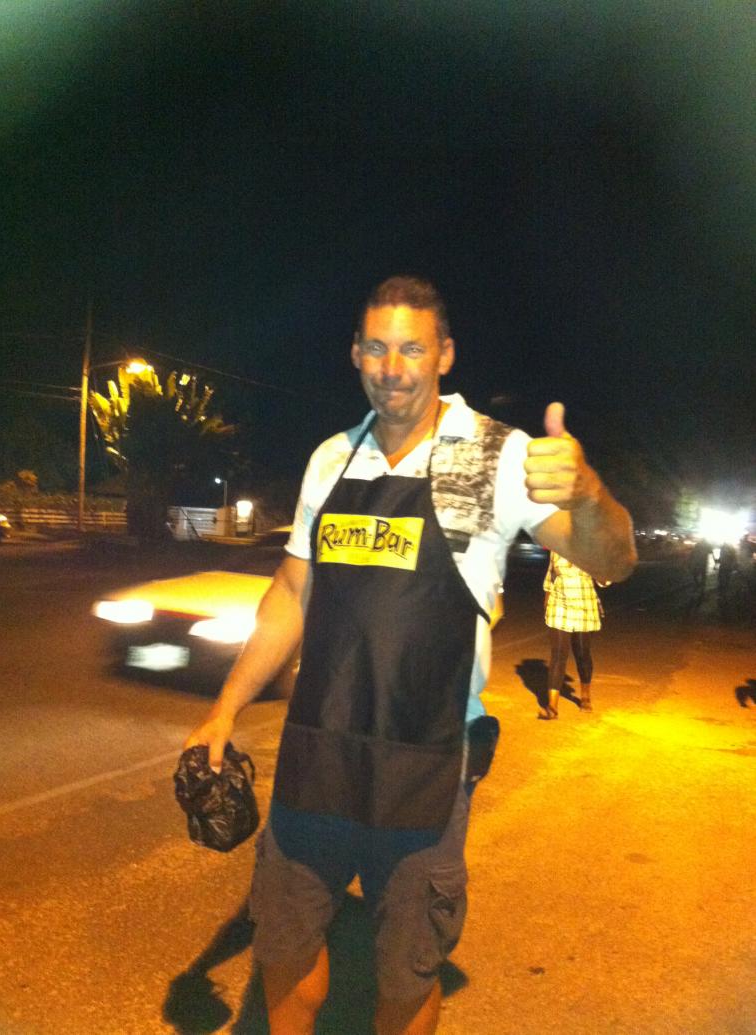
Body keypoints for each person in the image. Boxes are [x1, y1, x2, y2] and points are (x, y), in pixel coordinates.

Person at [185, 276, 636, 1035]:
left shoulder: (497, 455)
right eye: (377, 347)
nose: (392, 368)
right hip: (318, 751)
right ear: (355, 354)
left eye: (412, 349)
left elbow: (613, 559)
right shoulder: (331, 459)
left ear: (444, 355)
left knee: (405, 972)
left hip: (426, 767)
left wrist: (587, 491)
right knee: (283, 946)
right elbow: (291, 593)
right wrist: (224, 710)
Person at [540, 551, 606, 719]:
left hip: (584, 605)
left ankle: (585, 696)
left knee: (582, 654)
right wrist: (547, 600)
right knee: (558, 654)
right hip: (559, 605)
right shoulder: (556, 548)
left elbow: (604, 580)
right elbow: (550, 576)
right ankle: (552, 707)